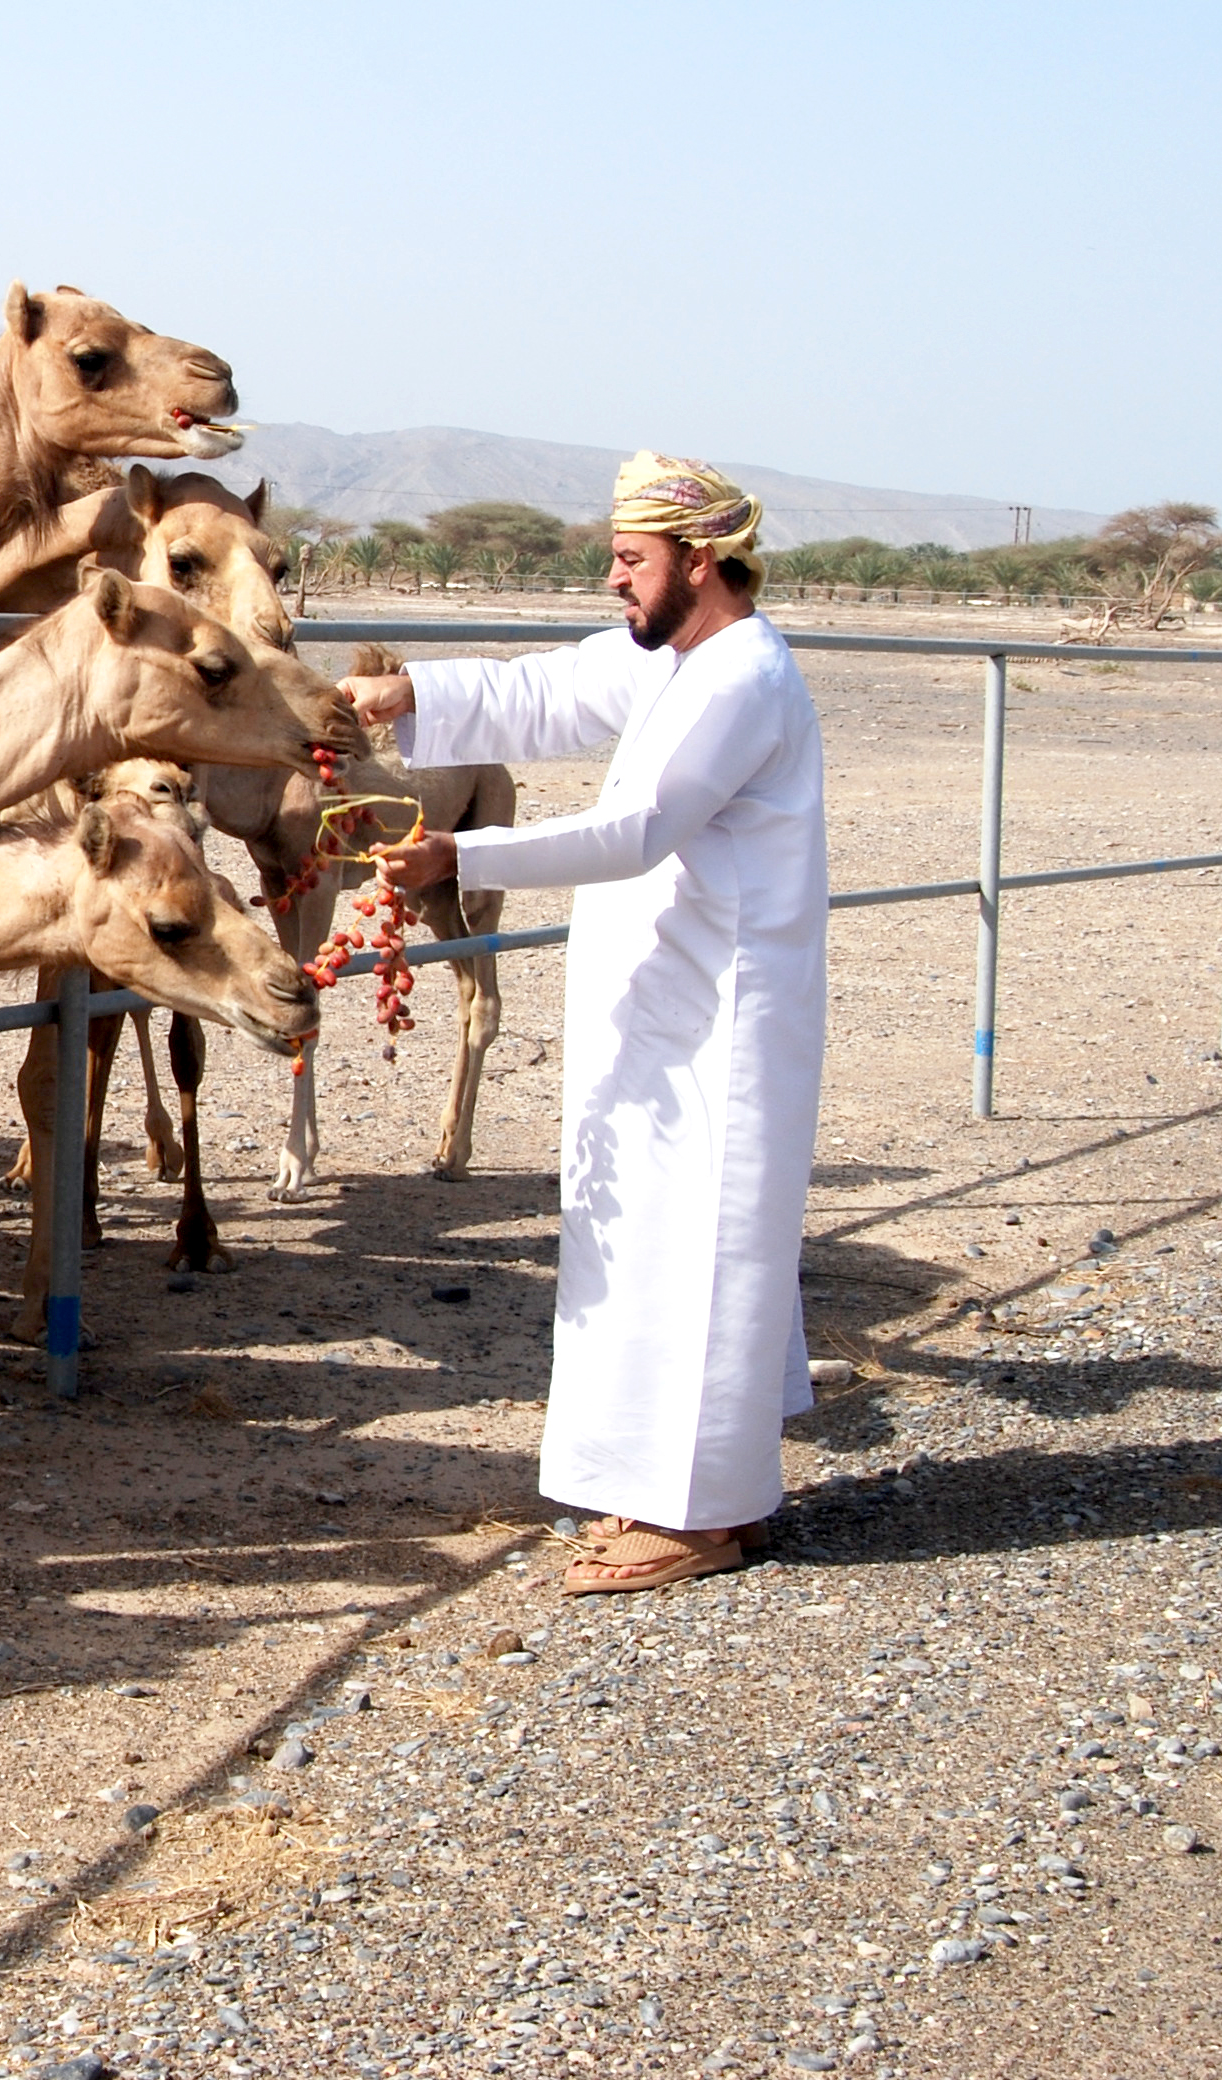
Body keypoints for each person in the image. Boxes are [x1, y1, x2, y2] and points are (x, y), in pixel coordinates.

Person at [339, 452, 828, 1594]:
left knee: (696, 1244)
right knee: (650, 1243)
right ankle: (704, 1493)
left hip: (721, 1016)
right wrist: (406, 691)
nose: (612, 580)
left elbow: (637, 828)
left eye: (628, 561)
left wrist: (458, 852)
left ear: (697, 562)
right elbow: (546, 690)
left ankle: (696, 1516)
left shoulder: (740, 678)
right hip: (667, 1005)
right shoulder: (670, 662)